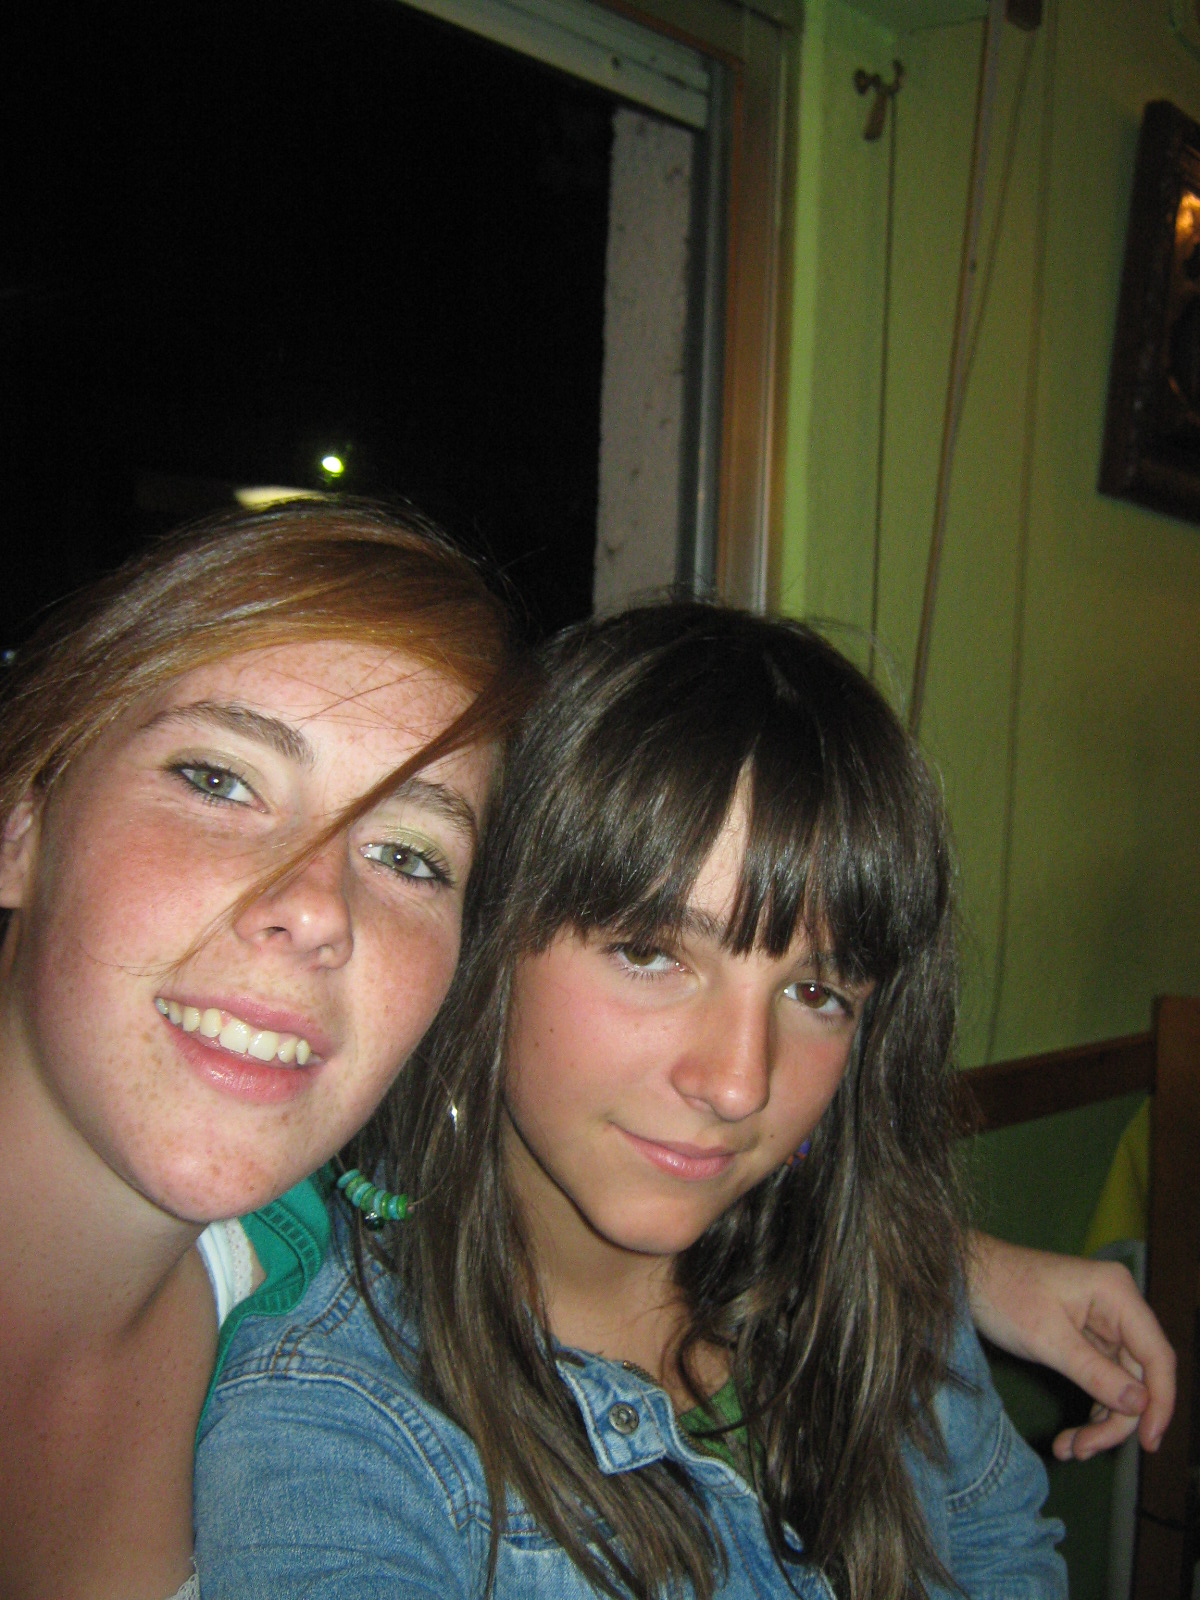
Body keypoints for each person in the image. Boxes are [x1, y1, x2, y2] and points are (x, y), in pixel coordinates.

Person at [192, 603, 1166, 1598]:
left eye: (816, 992)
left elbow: (1001, 1555)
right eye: (651, 953)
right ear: (488, 935)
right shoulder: (341, 1426)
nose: (740, 1082)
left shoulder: (880, 1291)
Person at [0, 501, 524, 1600]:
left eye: (409, 855)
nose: (318, 907)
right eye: (220, 781)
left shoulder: (336, 1321)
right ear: (22, 827)